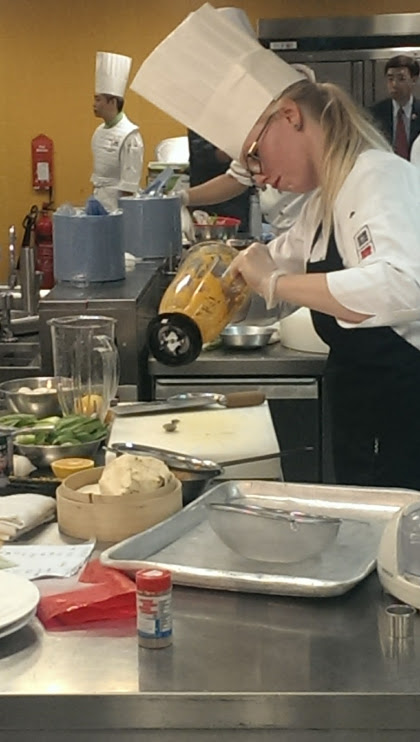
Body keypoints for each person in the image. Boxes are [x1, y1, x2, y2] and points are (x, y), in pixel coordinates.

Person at [132, 3, 420, 490]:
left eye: (255, 156)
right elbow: (271, 267)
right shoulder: (325, 198)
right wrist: (221, 284)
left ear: (290, 116)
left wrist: (275, 281)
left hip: (404, 412)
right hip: (363, 405)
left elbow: (403, 286)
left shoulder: (378, 177)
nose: (259, 177)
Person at [91, 51, 144, 212]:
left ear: (112, 102)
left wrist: (123, 216)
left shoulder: (130, 136)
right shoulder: (98, 132)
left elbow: (129, 185)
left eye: (98, 99)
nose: (94, 104)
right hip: (99, 203)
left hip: (118, 209)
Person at [370, 54, 420, 159]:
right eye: (390, 79)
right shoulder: (376, 113)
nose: (394, 84)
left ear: (414, 80)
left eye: (401, 79)